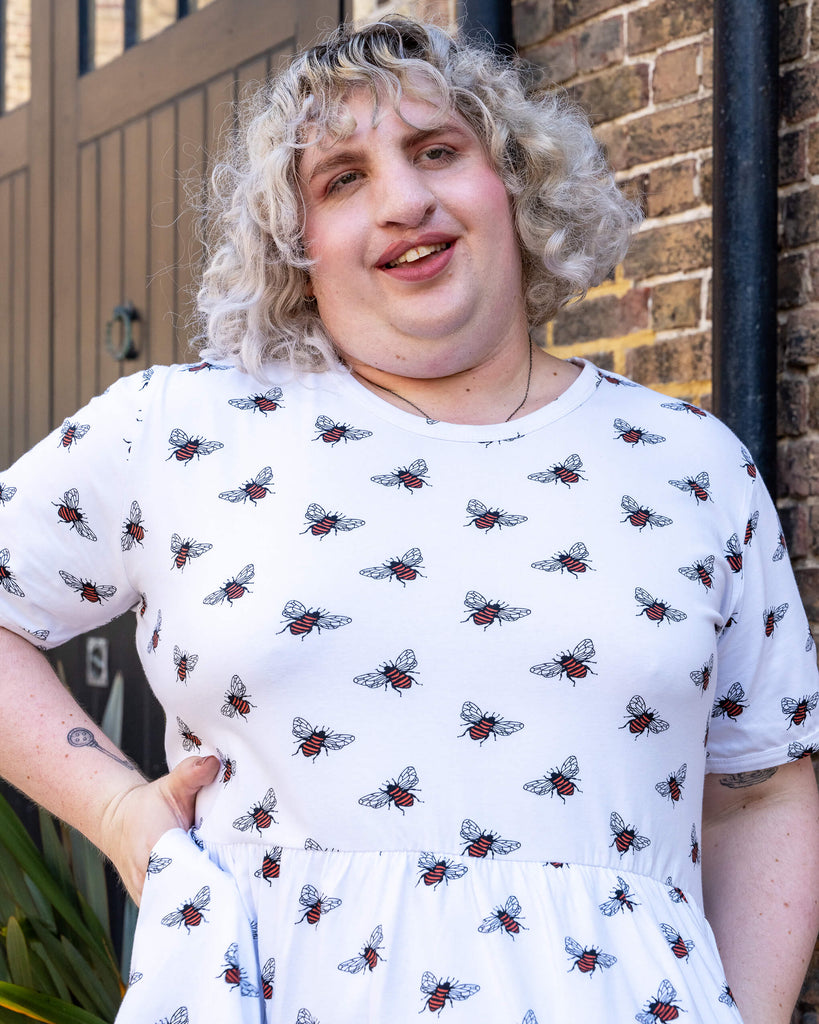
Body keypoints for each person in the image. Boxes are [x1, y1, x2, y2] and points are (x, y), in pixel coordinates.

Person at [0, 16, 817, 1024]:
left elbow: (763, 788)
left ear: (514, 182)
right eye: (341, 178)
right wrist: (121, 815)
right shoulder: (181, 427)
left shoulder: (693, 465)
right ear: (295, 244)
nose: (404, 201)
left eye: (438, 151)